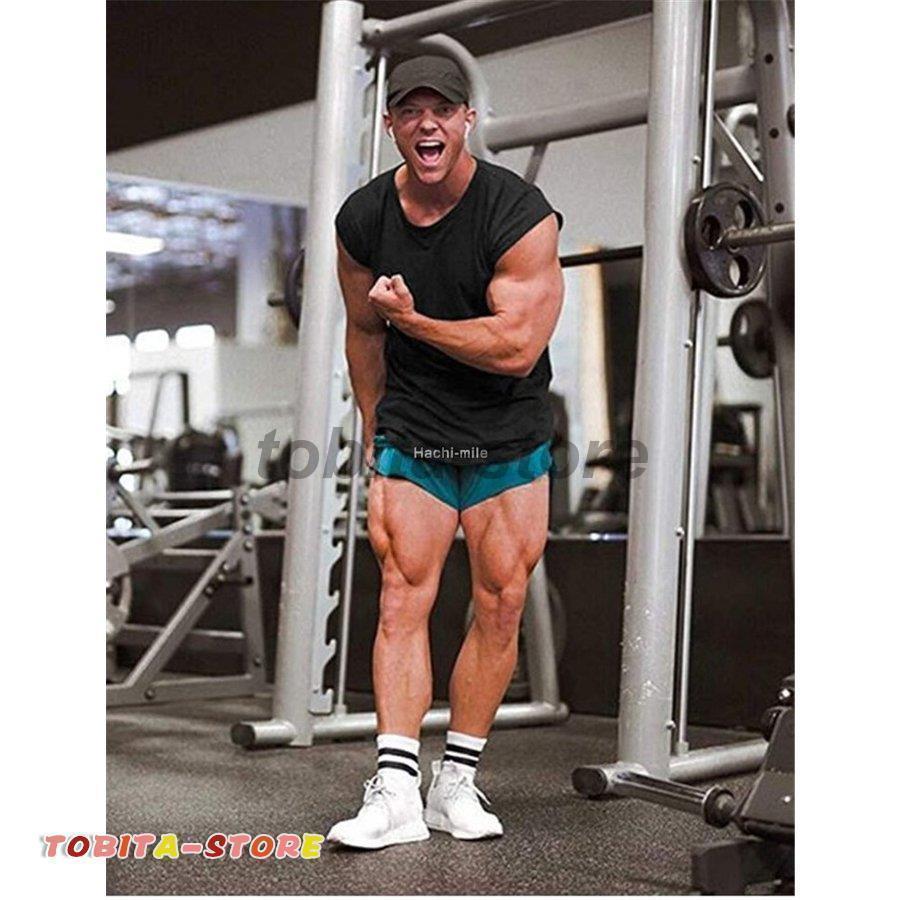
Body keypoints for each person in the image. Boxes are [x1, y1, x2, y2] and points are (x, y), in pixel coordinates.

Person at [327, 55, 564, 850]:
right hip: (415, 424)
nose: (426, 123)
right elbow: (364, 334)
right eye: (410, 111)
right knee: (402, 594)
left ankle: (454, 781)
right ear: (391, 125)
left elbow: (516, 348)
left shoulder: (518, 212)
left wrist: (414, 321)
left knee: (500, 599)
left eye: (442, 109)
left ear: (468, 120)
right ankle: (396, 790)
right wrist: (375, 430)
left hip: (506, 426)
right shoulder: (364, 219)